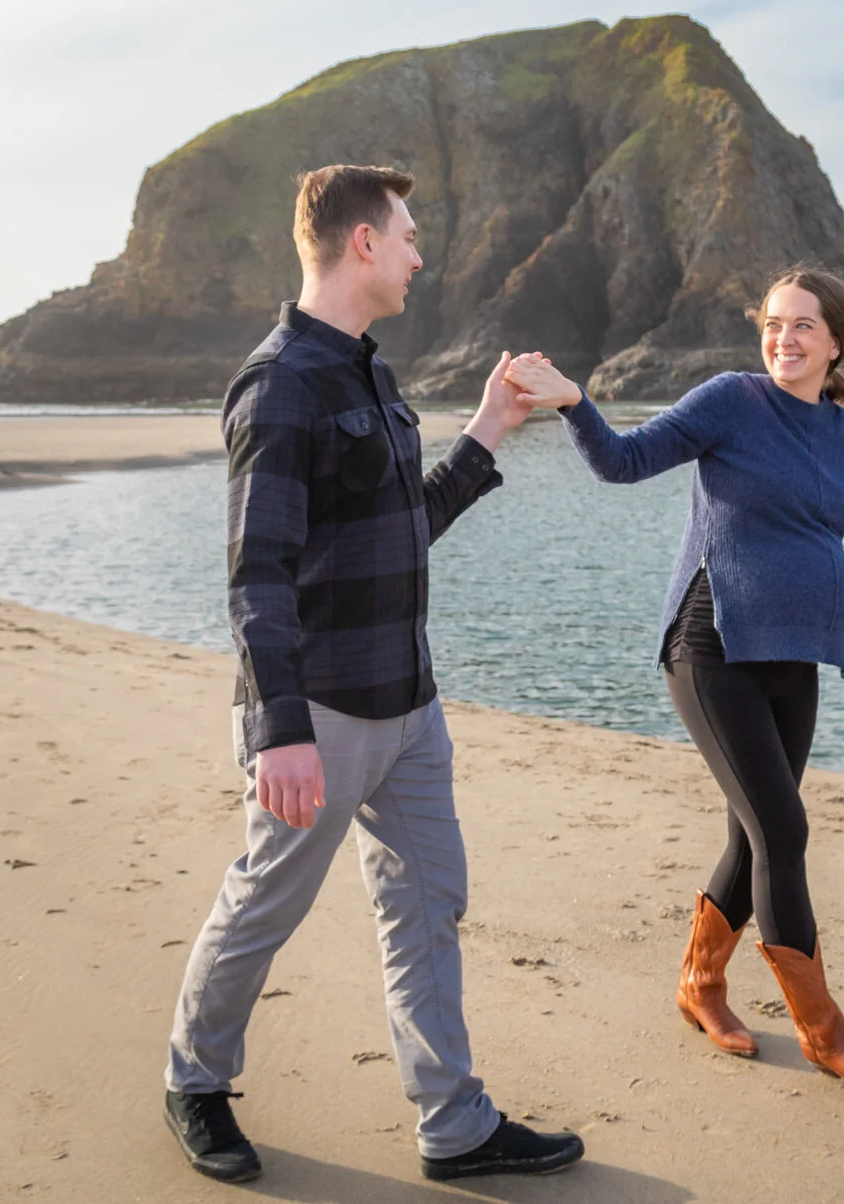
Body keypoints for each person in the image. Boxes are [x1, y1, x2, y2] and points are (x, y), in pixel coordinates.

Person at [164, 164, 585, 1183]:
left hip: (408, 706)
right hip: (319, 714)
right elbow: (254, 574)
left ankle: (454, 1122)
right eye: (405, 234)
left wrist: (485, 432)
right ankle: (194, 1081)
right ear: (360, 242)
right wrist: (280, 730)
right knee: (266, 899)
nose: (417, 252)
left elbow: (407, 528)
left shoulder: (369, 373)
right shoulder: (279, 386)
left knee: (429, 901)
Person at [503, 266, 844, 1090]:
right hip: (710, 647)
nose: (784, 338)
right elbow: (623, 463)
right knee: (784, 831)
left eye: (804, 325)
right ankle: (824, 1030)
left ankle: (699, 983)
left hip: (792, 659)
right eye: (773, 322)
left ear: (837, 341)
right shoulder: (732, 400)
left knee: (750, 835)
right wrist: (570, 400)